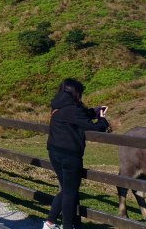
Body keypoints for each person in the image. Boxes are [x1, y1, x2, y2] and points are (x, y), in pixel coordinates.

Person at [44, 78, 110, 229]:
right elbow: (95, 128)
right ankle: (67, 226)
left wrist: (94, 111)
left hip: (54, 152)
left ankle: (49, 223)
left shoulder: (59, 104)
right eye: (80, 93)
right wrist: (102, 119)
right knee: (70, 192)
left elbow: (79, 115)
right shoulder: (72, 109)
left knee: (66, 189)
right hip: (69, 155)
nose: (81, 96)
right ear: (75, 92)